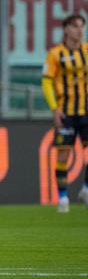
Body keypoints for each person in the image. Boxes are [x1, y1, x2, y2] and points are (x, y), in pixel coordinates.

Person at [42, 14, 88, 213]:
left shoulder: (87, 51)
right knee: (63, 154)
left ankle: (86, 188)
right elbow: (46, 81)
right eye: (76, 26)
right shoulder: (55, 54)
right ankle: (62, 198)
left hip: (86, 110)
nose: (80, 30)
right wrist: (54, 107)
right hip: (66, 112)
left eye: (82, 26)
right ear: (66, 29)